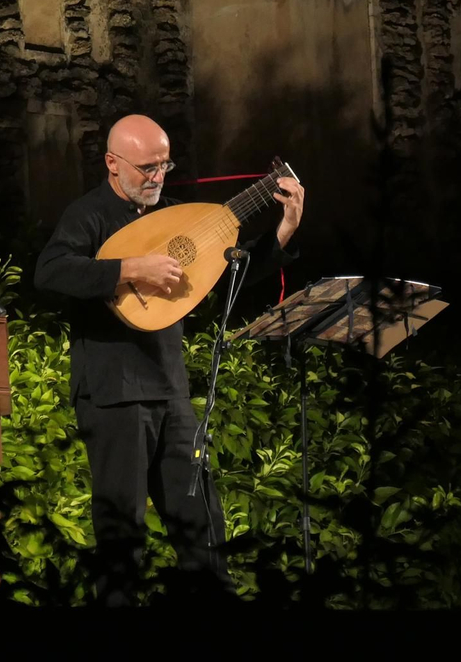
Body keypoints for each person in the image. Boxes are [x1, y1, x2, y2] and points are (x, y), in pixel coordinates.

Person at [34, 114, 304, 606]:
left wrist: (283, 231)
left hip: (168, 386)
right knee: (123, 533)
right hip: (113, 392)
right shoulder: (87, 214)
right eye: (146, 168)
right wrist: (129, 268)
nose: (158, 177)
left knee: (202, 525)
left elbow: (232, 272)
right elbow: (50, 272)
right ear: (113, 164)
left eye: (164, 165)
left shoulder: (178, 216)